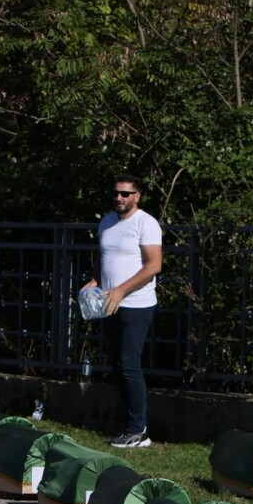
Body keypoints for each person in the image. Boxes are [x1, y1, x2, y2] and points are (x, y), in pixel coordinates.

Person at [83, 174, 163, 449]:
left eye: (126, 194)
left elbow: (153, 266)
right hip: (109, 302)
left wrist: (121, 290)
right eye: (116, 193)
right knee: (117, 364)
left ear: (137, 196)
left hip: (136, 304)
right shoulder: (106, 222)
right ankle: (129, 424)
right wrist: (96, 280)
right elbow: (104, 256)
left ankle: (138, 430)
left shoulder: (146, 223)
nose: (119, 198)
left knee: (129, 363)